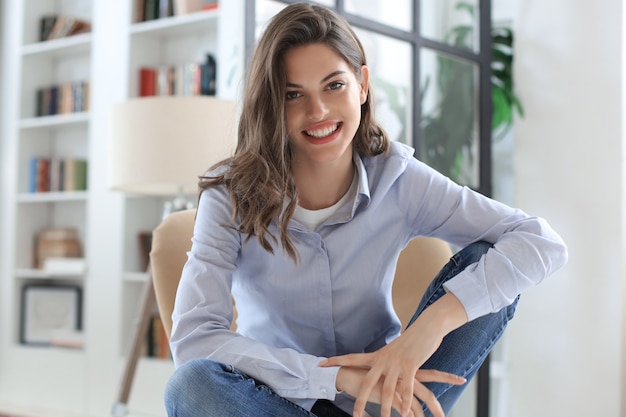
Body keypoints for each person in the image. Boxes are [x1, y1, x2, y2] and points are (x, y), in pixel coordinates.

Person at [164, 3, 568, 417]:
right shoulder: (231, 194)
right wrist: (334, 378)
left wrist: (427, 331)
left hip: (387, 400)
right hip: (275, 403)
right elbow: (195, 341)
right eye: (293, 95)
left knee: (487, 259)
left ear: (362, 84)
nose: (317, 111)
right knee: (191, 387)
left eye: (333, 86)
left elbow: (540, 242)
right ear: (271, 104)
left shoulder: (400, 179)